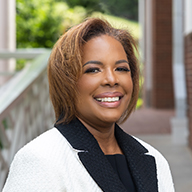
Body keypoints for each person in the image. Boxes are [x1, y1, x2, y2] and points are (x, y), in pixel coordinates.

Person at [2, 18, 175, 192]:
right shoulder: (40, 160)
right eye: (93, 70)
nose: (111, 79)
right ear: (66, 82)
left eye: (121, 68)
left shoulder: (154, 159)